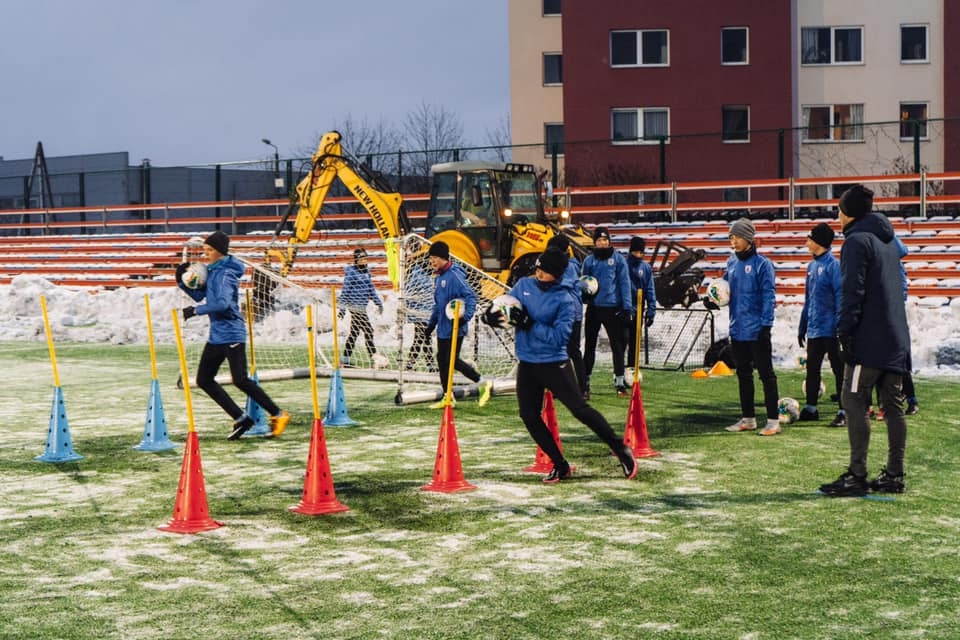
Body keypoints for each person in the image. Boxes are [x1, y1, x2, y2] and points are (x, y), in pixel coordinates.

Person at [482, 249, 637, 483]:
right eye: (538, 268)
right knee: (528, 415)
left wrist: (529, 323)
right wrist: (490, 316)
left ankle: (621, 449)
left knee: (579, 410)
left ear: (556, 274)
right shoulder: (524, 285)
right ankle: (560, 464)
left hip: (554, 363)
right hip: (527, 362)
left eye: (545, 271)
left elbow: (559, 338)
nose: (539, 274)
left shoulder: (565, 299)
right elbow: (506, 308)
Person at [819, 185, 911, 497]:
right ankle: (894, 474)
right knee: (893, 406)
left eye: (839, 209)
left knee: (853, 399)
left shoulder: (856, 241)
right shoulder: (888, 241)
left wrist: (845, 332)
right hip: (896, 337)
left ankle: (857, 475)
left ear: (848, 212)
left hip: (869, 340)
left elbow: (852, 291)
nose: (838, 214)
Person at [176, 231, 290, 440]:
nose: (206, 254)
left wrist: (195, 311)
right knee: (204, 380)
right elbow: (201, 295)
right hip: (217, 336)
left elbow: (222, 304)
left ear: (220, 251)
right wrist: (182, 282)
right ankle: (241, 419)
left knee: (240, 380)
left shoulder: (225, 274)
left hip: (232, 334)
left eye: (210, 250)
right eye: (205, 250)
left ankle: (278, 414)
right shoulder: (213, 271)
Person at [713, 218, 782, 436]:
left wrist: (766, 325)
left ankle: (773, 421)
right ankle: (748, 419)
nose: (732, 242)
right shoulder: (731, 263)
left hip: (757, 330)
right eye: (730, 238)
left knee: (766, 375)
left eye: (736, 237)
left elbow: (769, 296)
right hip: (738, 329)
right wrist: (712, 299)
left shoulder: (763, 264)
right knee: (743, 374)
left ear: (748, 238)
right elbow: (724, 290)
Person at [424, 240, 493, 407]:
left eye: (435, 258)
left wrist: (465, 317)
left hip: (455, 327)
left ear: (443, 257)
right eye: (430, 258)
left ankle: (483, 382)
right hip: (443, 328)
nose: (432, 261)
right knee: (442, 360)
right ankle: (448, 396)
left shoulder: (454, 276)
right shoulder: (439, 278)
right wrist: (431, 325)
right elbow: (439, 305)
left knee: (451, 360)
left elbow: (471, 297)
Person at [797, 222, 845, 427]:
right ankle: (811, 408)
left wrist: (840, 325)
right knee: (812, 369)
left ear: (819, 242)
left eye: (810, 239)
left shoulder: (834, 266)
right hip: (815, 328)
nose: (807, 242)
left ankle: (844, 410)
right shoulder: (811, 266)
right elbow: (808, 299)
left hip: (831, 329)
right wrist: (803, 325)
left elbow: (840, 297)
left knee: (839, 369)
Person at [581, 226, 633, 397]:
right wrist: (584, 297)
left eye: (605, 240)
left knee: (617, 346)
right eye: (599, 240)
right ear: (595, 242)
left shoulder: (618, 260)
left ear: (609, 241)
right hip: (594, 309)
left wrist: (627, 307)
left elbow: (624, 283)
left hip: (612, 309)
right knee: (589, 346)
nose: (602, 243)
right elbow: (583, 282)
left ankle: (619, 383)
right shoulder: (589, 261)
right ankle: (585, 384)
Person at [546, 234, 588, 398]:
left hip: (570, 314)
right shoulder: (565, 265)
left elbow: (564, 285)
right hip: (563, 312)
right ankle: (565, 387)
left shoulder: (568, 267)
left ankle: (582, 388)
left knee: (571, 351)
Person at [340, 248, 383, 367]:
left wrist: (378, 302)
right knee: (369, 331)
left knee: (354, 333)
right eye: (362, 258)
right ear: (356, 260)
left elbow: (371, 290)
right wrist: (342, 309)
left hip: (362, 307)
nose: (365, 261)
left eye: (366, 258)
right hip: (354, 307)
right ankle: (374, 358)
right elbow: (345, 291)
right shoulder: (351, 273)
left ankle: (345, 360)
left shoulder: (367, 273)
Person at [624, 236, 657, 384]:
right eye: (635, 252)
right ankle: (619, 372)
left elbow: (650, 289)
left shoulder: (646, 268)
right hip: (624, 308)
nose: (638, 255)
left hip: (639, 307)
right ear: (631, 251)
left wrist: (651, 310)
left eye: (641, 252)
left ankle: (632, 368)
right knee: (622, 340)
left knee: (635, 340)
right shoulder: (624, 266)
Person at [403, 249, 437, 372]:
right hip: (419, 312)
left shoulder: (428, 275)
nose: (432, 263)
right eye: (430, 261)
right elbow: (409, 291)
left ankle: (411, 365)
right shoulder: (416, 273)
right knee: (423, 338)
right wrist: (414, 304)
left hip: (427, 312)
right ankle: (428, 365)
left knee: (422, 338)